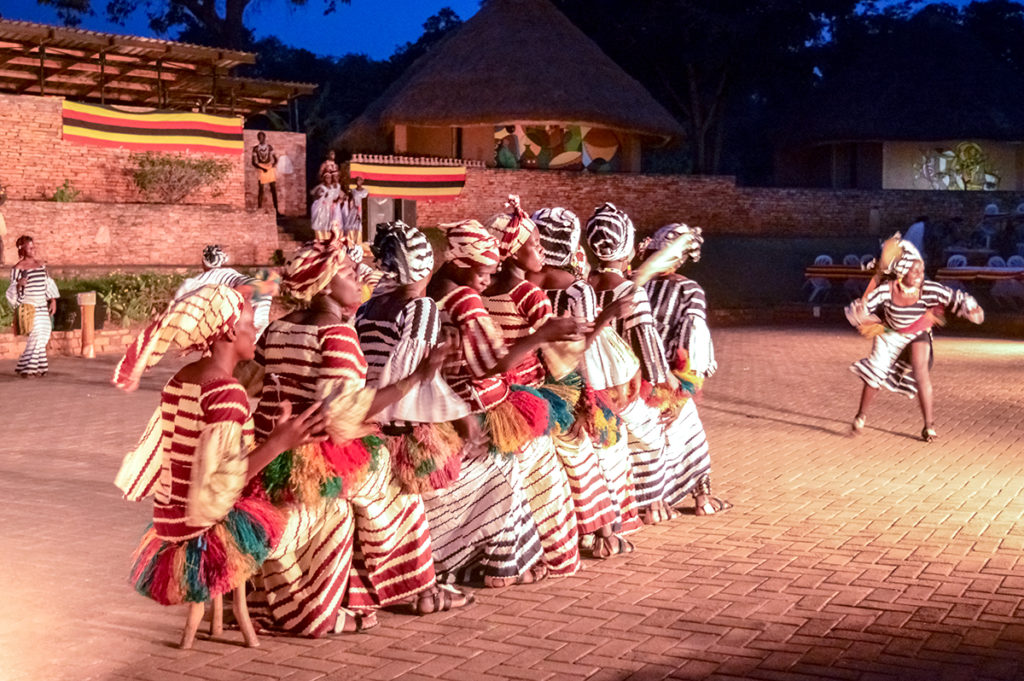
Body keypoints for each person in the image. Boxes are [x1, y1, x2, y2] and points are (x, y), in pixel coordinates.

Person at [247, 235, 472, 635]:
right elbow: (343, 412)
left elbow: (252, 383)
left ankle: (369, 590)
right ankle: (415, 589)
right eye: (349, 272)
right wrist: (417, 378)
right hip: (312, 455)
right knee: (398, 488)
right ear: (325, 283)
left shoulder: (277, 329)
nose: (359, 276)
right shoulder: (336, 335)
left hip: (272, 449)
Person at [111, 284, 325, 647]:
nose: (256, 329)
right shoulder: (226, 392)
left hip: (171, 518)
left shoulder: (181, 380)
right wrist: (278, 443)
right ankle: (296, 609)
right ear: (228, 331)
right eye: (249, 322)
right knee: (310, 513)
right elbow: (224, 483)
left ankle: (212, 621)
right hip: (206, 523)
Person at [427, 219, 585, 585]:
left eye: (491, 272)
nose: (486, 281)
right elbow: (494, 364)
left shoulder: (435, 290)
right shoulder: (465, 298)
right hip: (479, 402)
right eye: (482, 273)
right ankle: (512, 563)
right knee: (518, 474)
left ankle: (501, 560)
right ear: (459, 264)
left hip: (454, 401)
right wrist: (544, 334)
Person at [585, 203, 729, 518]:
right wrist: (675, 387)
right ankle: (691, 498)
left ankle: (646, 500)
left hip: (601, 378)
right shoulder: (684, 289)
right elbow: (689, 342)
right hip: (651, 379)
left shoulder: (597, 284)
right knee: (687, 431)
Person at [528, 205, 644, 555]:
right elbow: (578, 350)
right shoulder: (578, 290)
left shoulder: (524, 287)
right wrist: (607, 316)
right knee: (598, 452)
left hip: (532, 384)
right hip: (563, 385)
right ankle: (603, 532)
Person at [847, 236, 984, 442]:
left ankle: (929, 426)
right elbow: (866, 309)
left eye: (922, 270)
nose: (921, 274)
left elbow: (955, 297)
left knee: (920, 371)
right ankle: (860, 416)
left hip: (918, 331)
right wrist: (859, 313)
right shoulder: (887, 290)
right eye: (915, 271)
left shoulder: (929, 289)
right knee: (874, 375)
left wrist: (970, 307)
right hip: (890, 334)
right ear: (902, 273)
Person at [641, 223, 717, 381]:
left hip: (638, 372)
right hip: (666, 376)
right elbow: (691, 342)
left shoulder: (637, 284)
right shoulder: (689, 289)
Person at [174, 245, 273, 338]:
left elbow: (187, 285)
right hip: (261, 286)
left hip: (245, 289)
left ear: (204, 262)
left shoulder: (209, 275)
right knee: (261, 325)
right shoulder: (229, 271)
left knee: (247, 333)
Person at [6, 235, 59, 377]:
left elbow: (48, 283)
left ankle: (33, 366)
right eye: (30, 247)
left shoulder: (41, 266)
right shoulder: (17, 269)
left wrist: (53, 300)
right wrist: (19, 284)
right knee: (35, 336)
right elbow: (11, 290)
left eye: (33, 246)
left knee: (44, 335)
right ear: (22, 249)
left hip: (42, 306)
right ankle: (29, 369)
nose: (33, 249)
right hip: (29, 308)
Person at [252, 132, 279, 214]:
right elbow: (253, 162)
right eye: (259, 137)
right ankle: (259, 208)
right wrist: (261, 168)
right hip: (261, 167)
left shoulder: (269, 147)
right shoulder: (256, 148)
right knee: (261, 189)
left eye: (262, 137)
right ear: (258, 138)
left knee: (273, 188)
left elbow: (276, 159)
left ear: (265, 137)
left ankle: (276, 210)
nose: (261, 139)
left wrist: (272, 165)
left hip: (269, 167)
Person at [310, 176, 342, 241]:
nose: (328, 179)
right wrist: (323, 195)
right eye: (327, 178)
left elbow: (335, 197)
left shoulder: (332, 188)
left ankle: (327, 238)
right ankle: (320, 239)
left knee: (328, 224)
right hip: (322, 208)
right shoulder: (322, 187)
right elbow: (316, 194)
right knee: (320, 223)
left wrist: (338, 199)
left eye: (329, 178)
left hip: (329, 208)